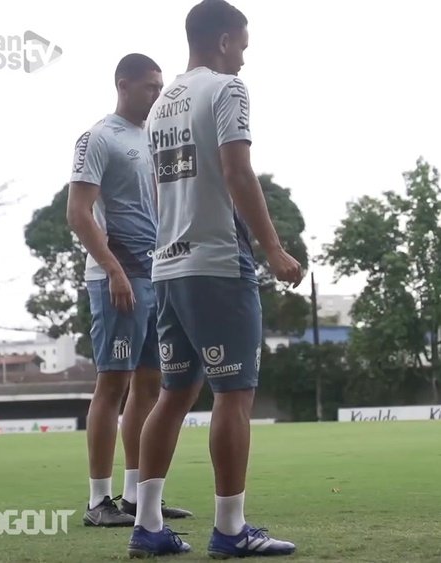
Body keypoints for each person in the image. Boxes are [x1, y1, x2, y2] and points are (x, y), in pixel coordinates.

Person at [126, 0, 304, 558]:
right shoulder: (226, 90)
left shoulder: (161, 105)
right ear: (224, 40)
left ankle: (147, 524)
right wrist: (273, 249)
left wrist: (170, 241)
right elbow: (236, 169)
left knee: (174, 393)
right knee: (234, 393)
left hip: (169, 266)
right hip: (219, 264)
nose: (244, 60)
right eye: (243, 48)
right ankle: (231, 529)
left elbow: (157, 189)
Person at [67, 53, 192, 528]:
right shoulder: (98, 137)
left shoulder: (151, 137)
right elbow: (79, 213)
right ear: (124, 85)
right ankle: (98, 501)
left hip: (154, 275)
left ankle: (139, 497)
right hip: (115, 280)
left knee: (149, 384)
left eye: (160, 87)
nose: (157, 95)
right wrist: (114, 271)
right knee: (113, 383)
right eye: (149, 87)